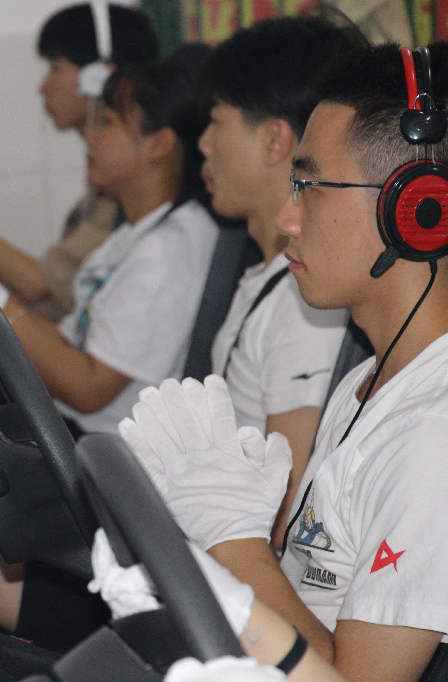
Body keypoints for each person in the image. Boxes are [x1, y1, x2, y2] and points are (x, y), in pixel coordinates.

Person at [121, 42, 448, 682]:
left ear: (418, 209)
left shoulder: (433, 435)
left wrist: (233, 542)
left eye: (310, 187)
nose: (286, 218)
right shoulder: (368, 382)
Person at [196, 17, 366, 548]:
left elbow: (286, 509)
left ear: (274, 140)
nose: (203, 144)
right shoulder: (271, 277)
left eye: (216, 122)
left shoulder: (304, 299)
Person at [3, 55, 218, 438]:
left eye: (106, 122)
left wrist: (0, 308)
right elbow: (68, 339)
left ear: (159, 144)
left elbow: (89, 389)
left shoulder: (169, 250)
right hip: (77, 435)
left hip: (106, 453)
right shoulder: (136, 233)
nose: (90, 138)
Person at [0, 3, 158, 323]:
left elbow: (40, 284)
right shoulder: (100, 186)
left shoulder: (128, 190)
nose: (43, 87)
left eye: (55, 69)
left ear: (99, 78)